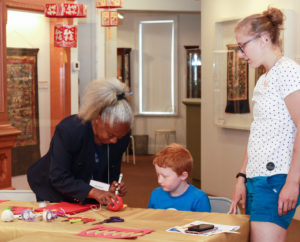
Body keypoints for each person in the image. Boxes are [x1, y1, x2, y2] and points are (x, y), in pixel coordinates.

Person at [228, 7, 300, 242]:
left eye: (243, 46)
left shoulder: (288, 71)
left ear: (264, 39)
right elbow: (258, 133)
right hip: (256, 178)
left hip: (276, 178)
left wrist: (292, 182)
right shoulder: (263, 79)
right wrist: (242, 176)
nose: (240, 54)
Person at [27, 78, 133, 205]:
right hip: (53, 190)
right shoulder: (70, 130)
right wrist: (95, 192)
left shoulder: (121, 137)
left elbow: (111, 170)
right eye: (110, 134)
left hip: (86, 191)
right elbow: (59, 176)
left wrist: (112, 186)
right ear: (97, 118)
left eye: (119, 137)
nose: (115, 141)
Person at [148, 143, 211, 212]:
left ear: (183, 176)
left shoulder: (199, 198)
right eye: (158, 175)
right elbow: (150, 221)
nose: (159, 181)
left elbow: (203, 222)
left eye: (165, 176)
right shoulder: (156, 194)